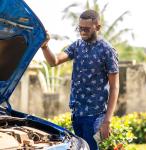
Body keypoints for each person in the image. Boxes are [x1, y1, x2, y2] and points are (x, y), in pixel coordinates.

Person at [41, 9, 119, 150]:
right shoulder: (77, 46)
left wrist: (106, 121)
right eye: (80, 28)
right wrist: (45, 46)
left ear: (98, 27)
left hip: (95, 117)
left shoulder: (107, 50)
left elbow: (114, 87)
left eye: (86, 29)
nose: (82, 32)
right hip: (77, 115)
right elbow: (54, 61)